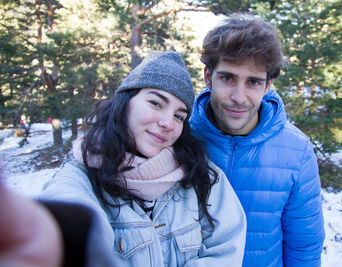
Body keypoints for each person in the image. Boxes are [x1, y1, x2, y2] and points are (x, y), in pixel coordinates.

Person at [39, 50, 246, 266]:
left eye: (179, 116)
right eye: (156, 103)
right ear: (125, 102)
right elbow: (69, 224)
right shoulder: (80, 177)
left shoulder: (201, 175)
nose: (168, 122)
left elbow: (225, 251)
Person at [189, 14, 325, 266]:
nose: (239, 97)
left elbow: (303, 246)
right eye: (228, 78)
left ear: (268, 85)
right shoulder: (179, 137)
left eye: (253, 82)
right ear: (208, 76)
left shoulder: (297, 151)